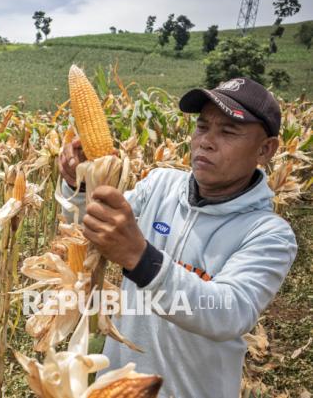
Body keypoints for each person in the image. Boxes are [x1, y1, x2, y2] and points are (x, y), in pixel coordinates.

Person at [58, 77, 297, 398]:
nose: (206, 142)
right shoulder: (159, 185)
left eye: (228, 132)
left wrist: (141, 259)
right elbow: (92, 230)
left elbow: (228, 312)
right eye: (202, 127)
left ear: (265, 149)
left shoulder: (269, 235)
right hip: (119, 386)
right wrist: (81, 186)